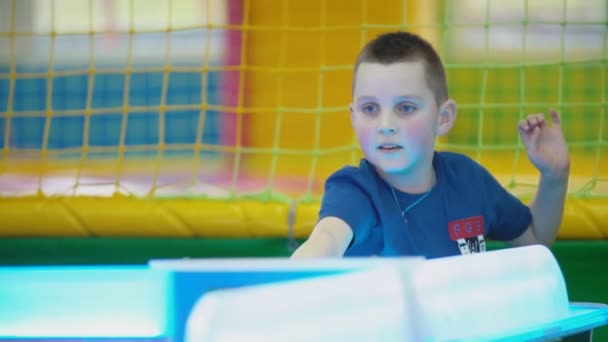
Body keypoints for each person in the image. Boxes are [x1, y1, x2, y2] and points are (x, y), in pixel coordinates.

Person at [291, 31, 570, 259]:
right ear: (353, 117)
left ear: (443, 117)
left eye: (406, 107)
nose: (385, 124)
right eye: (370, 108)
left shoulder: (468, 180)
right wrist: (300, 272)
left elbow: (535, 241)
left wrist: (554, 177)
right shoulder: (356, 191)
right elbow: (328, 236)